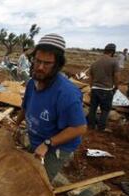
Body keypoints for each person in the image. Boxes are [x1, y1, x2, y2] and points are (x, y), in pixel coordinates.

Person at [15, 33, 87, 182]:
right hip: (37, 138)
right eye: (38, 61)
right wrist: (14, 124)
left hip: (58, 146)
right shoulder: (32, 83)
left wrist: (47, 144)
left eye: (47, 63)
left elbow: (79, 128)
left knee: (38, 182)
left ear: (57, 65)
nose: (40, 67)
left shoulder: (67, 93)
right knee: (23, 169)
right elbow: (25, 106)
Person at [87, 43, 120, 131]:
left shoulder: (95, 62)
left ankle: (91, 126)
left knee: (92, 109)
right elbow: (116, 76)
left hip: (95, 89)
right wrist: (116, 86)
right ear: (113, 52)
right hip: (106, 90)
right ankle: (101, 128)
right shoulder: (114, 61)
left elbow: (90, 76)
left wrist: (91, 87)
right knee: (105, 110)